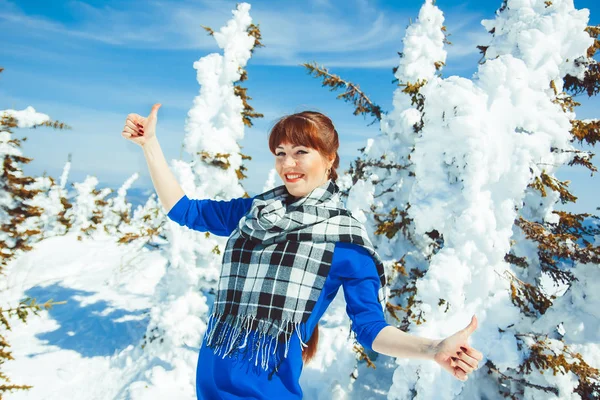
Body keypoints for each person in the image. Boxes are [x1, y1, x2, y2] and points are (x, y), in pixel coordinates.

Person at [121, 104, 484, 399]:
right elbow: (184, 210)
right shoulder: (255, 213)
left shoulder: (345, 241)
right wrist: (150, 145)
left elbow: (371, 329)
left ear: (329, 159)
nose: (287, 164)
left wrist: (432, 348)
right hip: (210, 389)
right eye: (280, 153)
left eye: (300, 152)